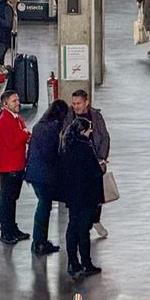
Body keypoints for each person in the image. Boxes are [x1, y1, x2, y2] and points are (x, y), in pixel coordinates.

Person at [60, 117, 104, 277]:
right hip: (86, 195)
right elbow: (95, 173)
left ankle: (73, 262)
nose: (91, 132)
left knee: (72, 228)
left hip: (73, 195)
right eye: (89, 129)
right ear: (82, 131)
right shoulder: (85, 148)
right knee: (84, 230)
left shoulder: (67, 146)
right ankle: (87, 263)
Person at [63, 90, 110, 237]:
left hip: (95, 162)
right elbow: (64, 136)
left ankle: (95, 220)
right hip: (77, 165)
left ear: (86, 102)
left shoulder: (96, 116)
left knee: (97, 195)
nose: (76, 106)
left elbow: (104, 137)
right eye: (74, 103)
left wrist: (101, 158)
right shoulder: (69, 116)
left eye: (78, 103)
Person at [24, 99, 69, 255]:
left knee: (44, 206)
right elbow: (52, 155)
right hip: (44, 175)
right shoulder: (53, 129)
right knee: (44, 207)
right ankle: (39, 242)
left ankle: (39, 241)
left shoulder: (39, 126)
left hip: (33, 172)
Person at [0, 90, 31, 245]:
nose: (18, 103)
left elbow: (24, 134)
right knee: (6, 199)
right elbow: (12, 143)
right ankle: (6, 231)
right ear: (5, 104)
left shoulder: (17, 119)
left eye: (18, 100)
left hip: (17, 165)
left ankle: (12, 228)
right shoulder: (4, 121)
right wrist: (24, 134)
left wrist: (24, 134)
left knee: (12, 199)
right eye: (14, 101)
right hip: (9, 167)